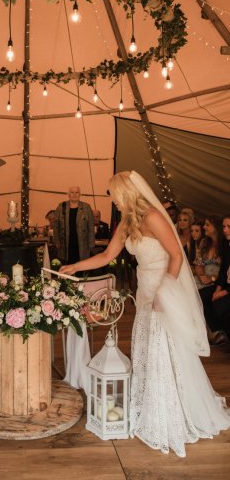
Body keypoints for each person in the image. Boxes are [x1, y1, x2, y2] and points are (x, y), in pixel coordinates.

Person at [61, 171, 229, 457]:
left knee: (166, 350)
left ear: (125, 192)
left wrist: (166, 292)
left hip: (163, 290)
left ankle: (171, 410)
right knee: (147, 348)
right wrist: (76, 267)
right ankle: (151, 403)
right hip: (145, 291)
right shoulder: (127, 221)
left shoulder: (152, 216)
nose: (112, 200)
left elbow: (177, 256)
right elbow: (107, 255)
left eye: (113, 193)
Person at [53, 186, 94, 265]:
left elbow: (91, 227)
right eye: (72, 192)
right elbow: (56, 225)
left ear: (80, 194)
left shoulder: (86, 207)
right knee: (67, 267)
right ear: (68, 194)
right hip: (65, 244)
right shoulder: (61, 206)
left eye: (77, 192)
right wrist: (57, 241)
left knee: (81, 267)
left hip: (82, 244)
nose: (74, 194)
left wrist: (91, 244)